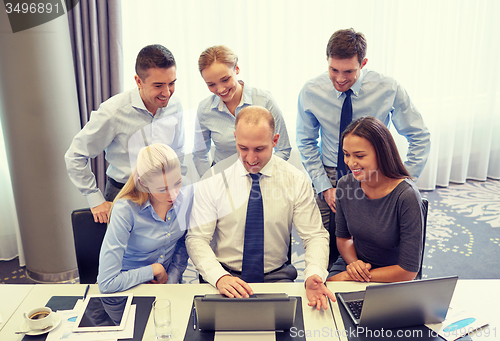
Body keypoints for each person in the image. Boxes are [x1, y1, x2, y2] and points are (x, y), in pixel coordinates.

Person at [296, 28, 430, 268]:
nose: (339, 78)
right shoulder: (311, 91)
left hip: (375, 174)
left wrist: (403, 181)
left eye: (348, 71)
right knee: (325, 243)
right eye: (333, 70)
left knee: (380, 242)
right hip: (330, 174)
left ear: (363, 63)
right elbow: (305, 141)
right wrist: (324, 186)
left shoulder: (388, 88)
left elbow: (419, 135)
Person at [186, 106, 334, 310]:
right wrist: (219, 277)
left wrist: (314, 274)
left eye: (259, 149)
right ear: (235, 137)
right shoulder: (213, 179)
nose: (250, 159)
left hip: (276, 277)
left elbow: (314, 236)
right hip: (224, 276)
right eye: (243, 148)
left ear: (275, 141)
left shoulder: (295, 180)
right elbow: (197, 239)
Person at [65, 44, 185, 224]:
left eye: (172, 83)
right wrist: (94, 198)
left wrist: (178, 191)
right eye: (159, 85)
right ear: (138, 81)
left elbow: (178, 151)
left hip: (165, 196)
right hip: (123, 195)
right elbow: (75, 156)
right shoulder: (113, 112)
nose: (167, 93)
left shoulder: (175, 106)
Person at [326, 116, 423, 283]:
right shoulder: (345, 185)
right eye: (346, 154)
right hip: (354, 263)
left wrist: (352, 277)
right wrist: (355, 265)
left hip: (392, 274)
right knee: (322, 299)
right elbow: (343, 238)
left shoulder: (406, 196)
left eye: (360, 156)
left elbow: (408, 271)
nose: (350, 163)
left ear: (382, 153)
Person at [97, 143, 192, 293]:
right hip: (127, 286)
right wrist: (153, 270)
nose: (174, 194)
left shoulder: (187, 190)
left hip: (168, 282)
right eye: (162, 189)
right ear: (143, 184)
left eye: (177, 182)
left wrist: (170, 281)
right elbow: (107, 282)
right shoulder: (125, 209)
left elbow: (182, 244)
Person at [192, 45, 291, 177]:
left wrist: (260, 175)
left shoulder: (264, 100)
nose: (220, 89)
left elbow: (283, 149)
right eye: (211, 84)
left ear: (237, 69)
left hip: (260, 177)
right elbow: (199, 154)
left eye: (225, 80)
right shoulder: (205, 110)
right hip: (223, 180)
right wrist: (210, 181)